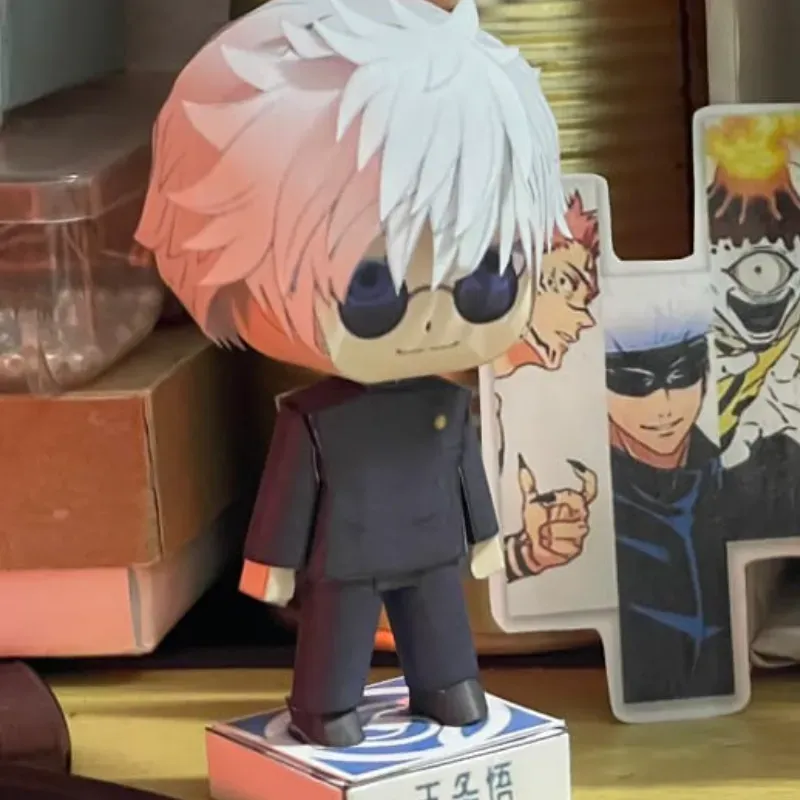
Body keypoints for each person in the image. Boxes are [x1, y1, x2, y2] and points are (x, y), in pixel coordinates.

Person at [135, 0, 565, 747]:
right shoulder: (315, 418)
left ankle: (448, 685)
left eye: (487, 283)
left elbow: (464, 469)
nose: (431, 320)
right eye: (373, 292)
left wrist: (486, 536)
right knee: (337, 636)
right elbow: (289, 492)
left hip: (432, 549)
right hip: (344, 559)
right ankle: (326, 705)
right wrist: (271, 564)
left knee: (439, 625)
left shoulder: (446, 404)